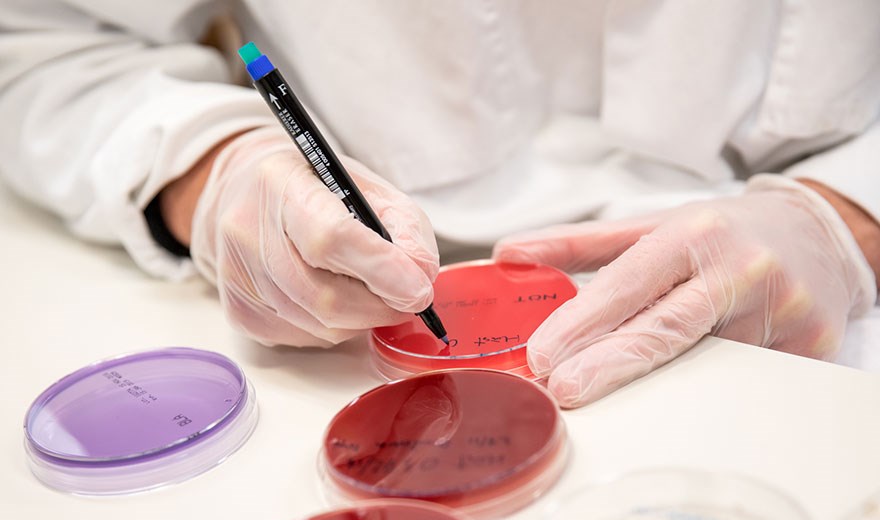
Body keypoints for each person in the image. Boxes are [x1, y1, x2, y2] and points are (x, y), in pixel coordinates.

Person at [1, 1, 878, 408]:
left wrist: (846, 220)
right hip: (350, 320)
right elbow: (40, 41)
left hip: (821, 341)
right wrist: (212, 167)